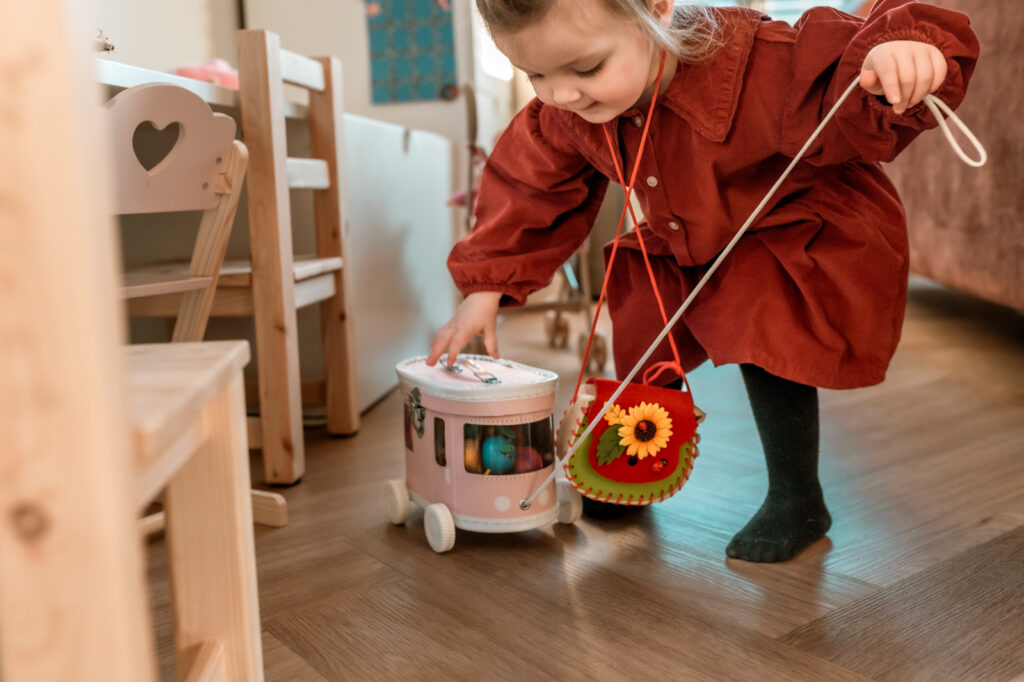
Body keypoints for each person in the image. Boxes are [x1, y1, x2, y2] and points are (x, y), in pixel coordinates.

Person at [425, 0, 978, 562]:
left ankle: (797, 496)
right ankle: (631, 472)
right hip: (686, 233)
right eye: (535, 75)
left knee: (765, 326)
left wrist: (906, 50)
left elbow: (850, 58)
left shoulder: (763, 60)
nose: (561, 94)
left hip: (793, 226)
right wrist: (484, 287)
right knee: (642, 321)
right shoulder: (567, 110)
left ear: (658, 10)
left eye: (586, 70)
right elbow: (529, 184)